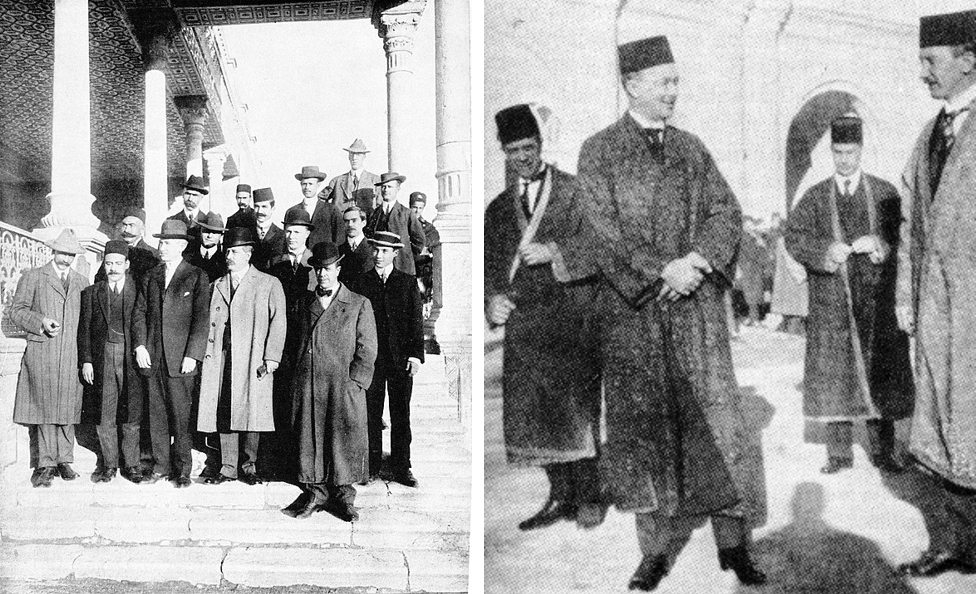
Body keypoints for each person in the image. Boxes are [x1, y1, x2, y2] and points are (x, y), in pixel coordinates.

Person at [576, 35, 766, 590]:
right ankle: (654, 552)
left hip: (697, 315)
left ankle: (735, 547)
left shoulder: (692, 148)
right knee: (644, 434)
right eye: (665, 82)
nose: (674, 93)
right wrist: (663, 269)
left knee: (719, 427)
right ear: (632, 85)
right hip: (635, 320)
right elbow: (599, 232)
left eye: (676, 81)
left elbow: (724, 210)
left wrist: (699, 261)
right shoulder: (599, 151)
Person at [486, 103, 603, 531]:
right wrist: (491, 301)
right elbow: (491, 269)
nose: (524, 156)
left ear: (541, 145)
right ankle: (559, 495)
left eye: (530, 146)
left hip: (570, 323)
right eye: (514, 149)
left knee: (575, 414)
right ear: (504, 151)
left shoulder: (575, 192)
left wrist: (555, 252)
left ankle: (588, 495)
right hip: (525, 328)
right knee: (535, 416)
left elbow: (602, 247)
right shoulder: (497, 209)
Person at [895, 9, 976, 578]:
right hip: (935, 308)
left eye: (932, 60)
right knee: (940, 423)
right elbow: (911, 229)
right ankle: (952, 542)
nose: (922, 72)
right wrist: (906, 295)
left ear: (969, 60)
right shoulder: (929, 135)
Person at [785, 116, 913, 475]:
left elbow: (905, 238)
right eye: (838, 152)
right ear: (831, 152)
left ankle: (884, 451)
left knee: (879, 372)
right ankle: (839, 455)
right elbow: (794, 237)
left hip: (876, 301)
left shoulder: (885, 193)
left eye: (850, 152)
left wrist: (882, 244)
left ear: (861, 150)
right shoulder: (813, 197)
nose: (844, 159)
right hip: (831, 301)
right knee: (835, 373)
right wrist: (826, 250)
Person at [282, 241, 377, 521]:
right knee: (311, 440)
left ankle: (343, 498)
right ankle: (315, 492)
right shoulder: (303, 302)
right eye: (318, 269)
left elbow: (367, 348)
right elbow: (293, 344)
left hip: (341, 386)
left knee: (342, 441)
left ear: (338, 269)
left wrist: (355, 383)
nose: (323, 274)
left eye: (328, 268)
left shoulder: (358, 303)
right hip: (310, 384)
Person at [197, 227, 286, 486]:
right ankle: (227, 467)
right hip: (223, 358)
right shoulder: (217, 285)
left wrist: (272, 357)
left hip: (252, 359)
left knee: (252, 410)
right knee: (224, 410)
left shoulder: (268, 283)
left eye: (235, 252)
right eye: (227, 251)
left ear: (249, 254)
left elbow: (278, 322)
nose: (229, 256)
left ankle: (249, 466)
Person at [132, 220, 211, 488]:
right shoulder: (150, 276)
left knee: (181, 417)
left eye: (166, 243)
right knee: (156, 414)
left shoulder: (196, 275)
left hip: (181, 360)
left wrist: (193, 354)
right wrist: (140, 345)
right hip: (153, 356)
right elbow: (139, 313)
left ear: (181, 246)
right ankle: (160, 466)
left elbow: (202, 319)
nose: (161, 247)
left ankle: (182, 469)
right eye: (161, 242)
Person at [8, 229, 90, 488]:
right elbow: (17, 311)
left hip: (72, 352)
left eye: (71, 255)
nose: (66, 259)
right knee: (43, 406)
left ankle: (65, 460)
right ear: (53, 251)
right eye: (63, 253)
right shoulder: (34, 277)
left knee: (68, 405)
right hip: (43, 350)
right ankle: (45, 464)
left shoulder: (82, 281)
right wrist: (41, 321)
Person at [355, 231, 424, 487]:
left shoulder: (407, 282)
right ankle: (371, 466)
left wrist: (415, 356)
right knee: (371, 414)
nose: (378, 255)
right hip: (371, 360)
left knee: (400, 415)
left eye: (385, 251)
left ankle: (401, 466)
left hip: (400, 361)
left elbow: (416, 322)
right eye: (375, 250)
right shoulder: (362, 282)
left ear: (395, 253)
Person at [79, 240, 146, 484]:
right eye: (109, 264)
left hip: (130, 358)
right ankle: (109, 465)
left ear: (127, 264)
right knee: (105, 413)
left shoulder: (139, 290)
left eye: (118, 263)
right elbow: (84, 330)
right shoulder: (92, 293)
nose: (113, 268)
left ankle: (132, 465)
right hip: (103, 357)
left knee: (131, 414)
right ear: (103, 265)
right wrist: (86, 360)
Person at [265, 209, 317, 479]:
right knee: (281, 400)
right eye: (287, 231)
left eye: (297, 232)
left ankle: (304, 464)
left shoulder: (315, 263)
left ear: (307, 233)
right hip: (282, 343)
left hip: (307, 343)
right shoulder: (276, 264)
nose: (291, 237)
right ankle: (281, 463)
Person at [364, 172, 425, 276]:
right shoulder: (374, 214)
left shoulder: (407, 213)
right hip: (378, 267)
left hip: (402, 267)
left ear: (398, 189)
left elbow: (419, 240)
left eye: (389, 187)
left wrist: (405, 253)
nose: (386, 190)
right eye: (383, 187)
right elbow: (368, 237)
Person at [409, 191, 443, 355]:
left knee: (422, 305)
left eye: (420, 208)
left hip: (423, 272)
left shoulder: (427, 227)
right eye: (414, 207)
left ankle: (422, 339)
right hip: (408, 269)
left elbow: (432, 243)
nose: (417, 211)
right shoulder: (404, 224)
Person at [285, 165, 342, 249]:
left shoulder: (331, 210)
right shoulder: (291, 211)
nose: (307, 187)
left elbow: (339, 239)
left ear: (318, 185)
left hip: (323, 259)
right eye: (304, 184)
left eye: (310, 184)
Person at [321, 138, 381, 216]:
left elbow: (381, 206)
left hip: (366, 225)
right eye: (352, 154)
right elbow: (321, 199)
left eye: (358, 154)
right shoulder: (336, 181)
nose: (354, 158)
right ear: (348, 157)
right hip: (341, 225)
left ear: (364, 156)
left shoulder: (375, 180)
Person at [250, 187, 286, 272]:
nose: (260, 211)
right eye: (256, 206)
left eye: (264, 207)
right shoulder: (248, 233)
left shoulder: (282, 235)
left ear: (273, 209)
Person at [337, 206, 374, 287]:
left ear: (364, 223)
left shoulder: (373, 249)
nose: (350, 225)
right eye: (346, 221)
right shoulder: (338, 250)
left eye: (354, 220)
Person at [186, 212, 227, 282]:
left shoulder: (225, 260)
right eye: (206, 231)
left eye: (214, 232)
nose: (209, 236)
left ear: (221, 235)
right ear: (200, 232)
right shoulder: (187, 258)